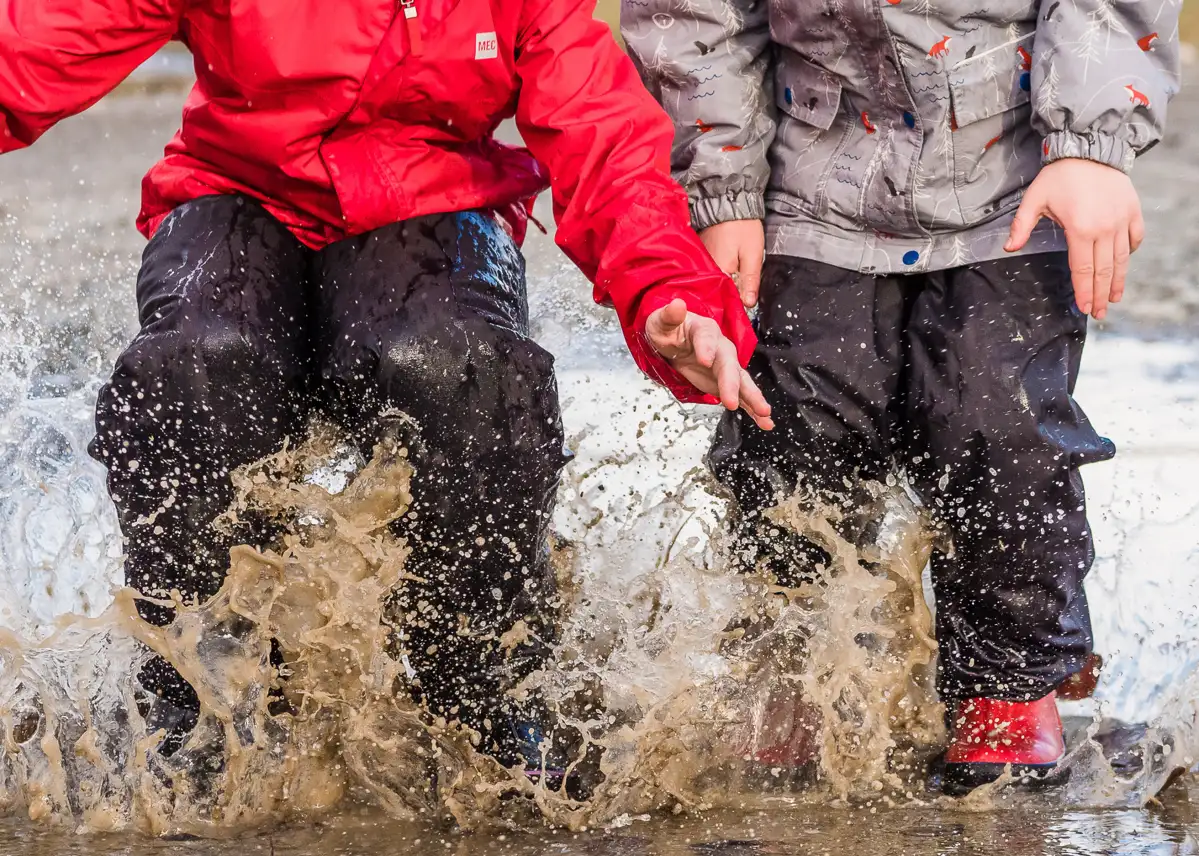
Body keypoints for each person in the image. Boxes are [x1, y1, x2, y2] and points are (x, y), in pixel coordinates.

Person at [0, 0, 775, 795]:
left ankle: (482, 685)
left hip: (436, 200)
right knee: (198, 364)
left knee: (459, 367)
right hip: (238, 195)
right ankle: (193, 682)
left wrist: (671, 299)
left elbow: (604, 140)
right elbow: (31, 49)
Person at [623, 0, 1180, 792]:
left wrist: (1091, 144)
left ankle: (1008, 680)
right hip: (808, 184)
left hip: (1012, 181)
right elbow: (692, 16)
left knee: (1000, 429)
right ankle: (798, 659)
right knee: (793, 427)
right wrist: (720, 187)